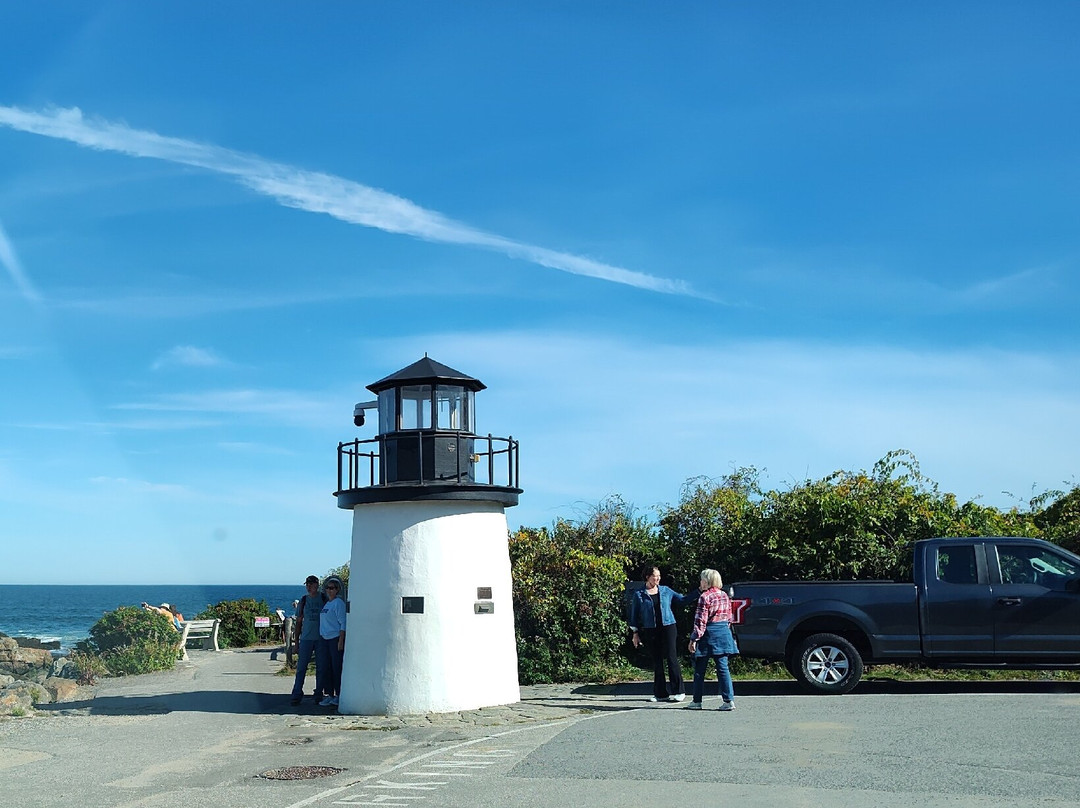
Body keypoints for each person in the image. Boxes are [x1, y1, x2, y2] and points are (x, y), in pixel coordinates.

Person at [628, 565, 695, 702]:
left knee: (671, 657)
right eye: (655, 576)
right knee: (657, 661)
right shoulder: (639, 594)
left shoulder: (666, 590)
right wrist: (635, 633)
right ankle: (660, 693)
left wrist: (699, 591)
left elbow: (682, 600)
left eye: (659, 576)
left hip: (668, 626)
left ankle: (679, 691)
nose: (657, 578)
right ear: (648, 577)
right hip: (650, 629)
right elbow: (634, 615)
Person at [686, 568, 739, 711]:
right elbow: (729, 617)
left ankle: (697, 701)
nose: (700, 582)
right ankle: (729, 700)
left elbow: (700, 621)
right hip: (723, 632)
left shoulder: (705, 597)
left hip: (708, 633)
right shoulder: (724, 595)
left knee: (699, 669)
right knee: (723, 668)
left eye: (702, 579)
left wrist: (694, 639)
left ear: (707, 581)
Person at [290, 575, 326, 706]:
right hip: (306, 639)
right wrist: (296, 643)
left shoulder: (323, 598)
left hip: (321, 638)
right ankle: (297, 693)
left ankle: (318, 694)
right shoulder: (304, 600)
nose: (309, 587)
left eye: (311, 584)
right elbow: (299, 622)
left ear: (317, 584)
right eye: (307, 584)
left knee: (321, 668)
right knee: (301, 667)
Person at [318, 577, 347, 708]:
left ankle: (339, 694)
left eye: (332, 588)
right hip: (324, 639)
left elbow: (343, 623)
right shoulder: (327, 604)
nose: (329, 590)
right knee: (326, 668)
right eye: (328, 588)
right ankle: (329, 694)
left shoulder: (338, 603)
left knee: (336, 667)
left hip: (334, 639)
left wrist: (341, 641)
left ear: (337, 589)